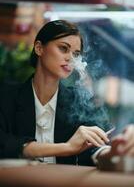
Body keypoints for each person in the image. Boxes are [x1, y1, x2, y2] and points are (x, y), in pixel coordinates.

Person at [0, 19, 111, 165]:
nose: (71, 59)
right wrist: (66, 148)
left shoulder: (79, 102)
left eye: (76, 54)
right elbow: (5, 144)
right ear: (39, 48)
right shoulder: (6, 97)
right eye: (63, 48)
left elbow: (96, 148)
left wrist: (109, 152)